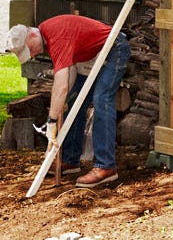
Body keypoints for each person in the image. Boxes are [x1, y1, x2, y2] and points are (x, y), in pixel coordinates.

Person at [6, 14, 130, 188]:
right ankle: (70, 160)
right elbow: (68, 74)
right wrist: (63, 103)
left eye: (30, 50)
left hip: (113, 48)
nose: (32, 55)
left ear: (32, 36)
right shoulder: (47, 37)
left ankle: (106, 166)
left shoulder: (56, 37)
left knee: (102, 99)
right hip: (92, 55)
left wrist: (51, 121)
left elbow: (61, 85)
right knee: (73, 101)